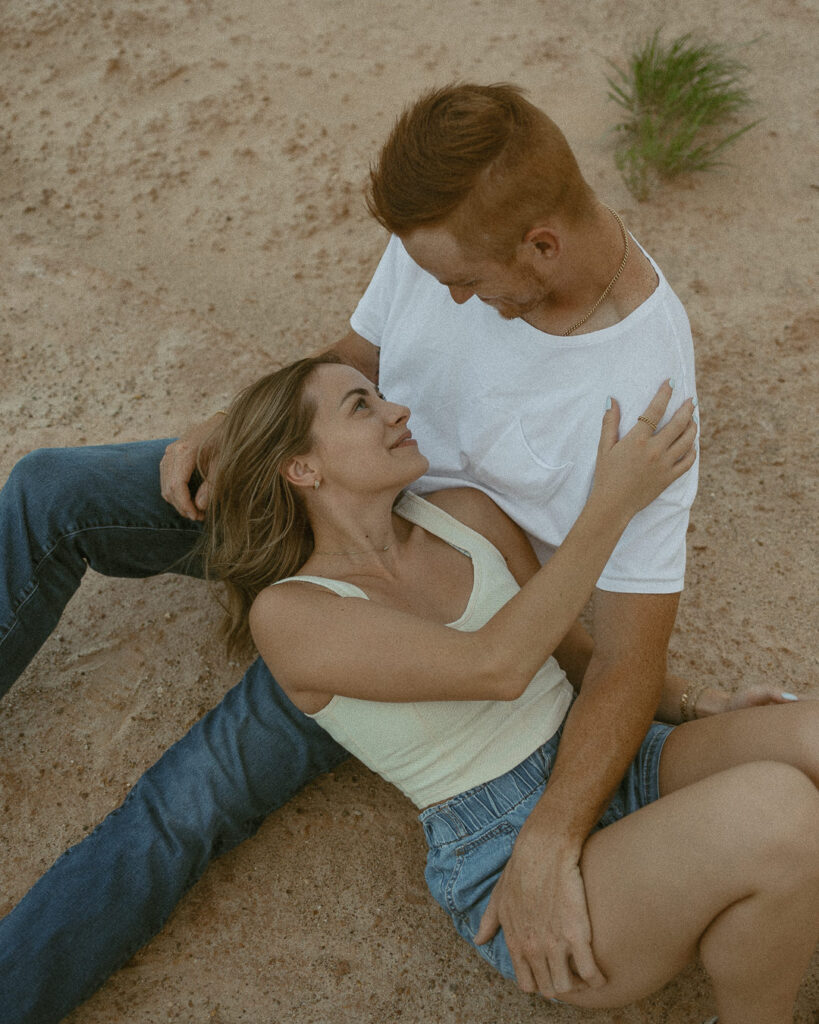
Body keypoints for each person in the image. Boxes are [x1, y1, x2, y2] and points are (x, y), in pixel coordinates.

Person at [0, 83, 808, 1022]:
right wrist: (246, 426)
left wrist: (561, 828)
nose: (446, 298)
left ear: (540, 246)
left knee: (184, 807)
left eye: (464, 282)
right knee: (52, 489)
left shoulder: (641, 389)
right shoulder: (442, 235)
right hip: (323, 499)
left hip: (442, 591)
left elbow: (600, 654)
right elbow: (355, 356)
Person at [204, 354, 818, 1022]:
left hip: (606, 754)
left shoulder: (462, 514)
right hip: (503, 843)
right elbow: (496, 667)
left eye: (381, 395)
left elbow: (578, 659)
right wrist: (613, 501)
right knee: (779, 810)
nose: (397, 411)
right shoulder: (291, 613)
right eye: (360, 405)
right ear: (301, 467)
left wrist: (701, 705)